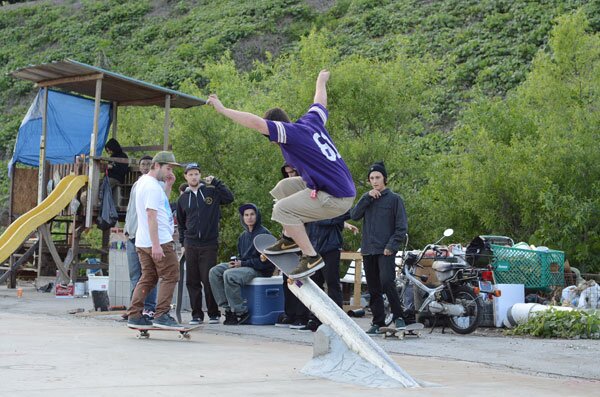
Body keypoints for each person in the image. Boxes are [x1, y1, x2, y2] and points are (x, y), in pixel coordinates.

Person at [207, 69, 356, 279]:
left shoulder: (289, 134)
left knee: (282, 209)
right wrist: (321, 79)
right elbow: (320, 101)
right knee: (283, 188)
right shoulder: (311, 121)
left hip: (336, 198)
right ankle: (289, 237)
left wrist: (222, 109)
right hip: (334, 188)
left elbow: (256, 123)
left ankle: (311, 256)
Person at [350, 161, 409, 335]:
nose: (375, 181)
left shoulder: (395, 199)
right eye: (372, 178)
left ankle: (399, 317)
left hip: (386, 250)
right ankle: (378, 322)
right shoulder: (367, 198)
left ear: (384, 179)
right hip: (368, 249)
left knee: (387, 282)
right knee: (374, 287)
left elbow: (401, 227)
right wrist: (366, 197)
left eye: (378, 177)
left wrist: (391, 246)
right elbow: (354, 215)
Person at [126, 151, 183, 330]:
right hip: (158, 241)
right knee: (171, 275)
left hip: (143, 241)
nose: (169, 172)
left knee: (148, 277)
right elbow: (151, 215)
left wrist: (169, 185)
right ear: (156, 165)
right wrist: (157, 245)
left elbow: (161, 204)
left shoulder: (145, 182)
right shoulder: (151, 186)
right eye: (167, 168)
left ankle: (134, 315)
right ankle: (162, 314)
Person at [177, 162, 234, 325]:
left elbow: (229, 198)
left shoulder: (211, 191)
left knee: (208, 279)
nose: (194, 177)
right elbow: (181, 223)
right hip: (190, 243)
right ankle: (196, 315)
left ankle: (214, 313)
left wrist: (216, 182)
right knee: (192, 280)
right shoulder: (183, 198)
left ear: (200, 175)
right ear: (186, 176)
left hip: (209, 243)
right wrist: (182, 243)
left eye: (196, 174)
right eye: (190, 174)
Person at [209, 203, 274, 325]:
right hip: (244, 267)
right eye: (246, 215)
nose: (249, 217)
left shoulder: (264, 234)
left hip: (259, 270)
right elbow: (242, 256)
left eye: (252, 214)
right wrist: (236, 262)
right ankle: (228, 311)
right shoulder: (243, 236)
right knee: (215, 271)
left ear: (257, 216)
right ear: (243, 218)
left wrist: (242, 263)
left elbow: (266, 263)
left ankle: (240, 312)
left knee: (229, 274)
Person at [123, 155, 156, 319]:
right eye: (143, 164)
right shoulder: (136, 184)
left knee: (149, 274)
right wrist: (126, 229)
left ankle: (149, 308)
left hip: (146, 238)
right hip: (132, 236)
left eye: (148, 164)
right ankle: (134, 308)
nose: (145, 167)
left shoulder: (155, 185)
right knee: (134, 276)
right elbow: (130, 210)